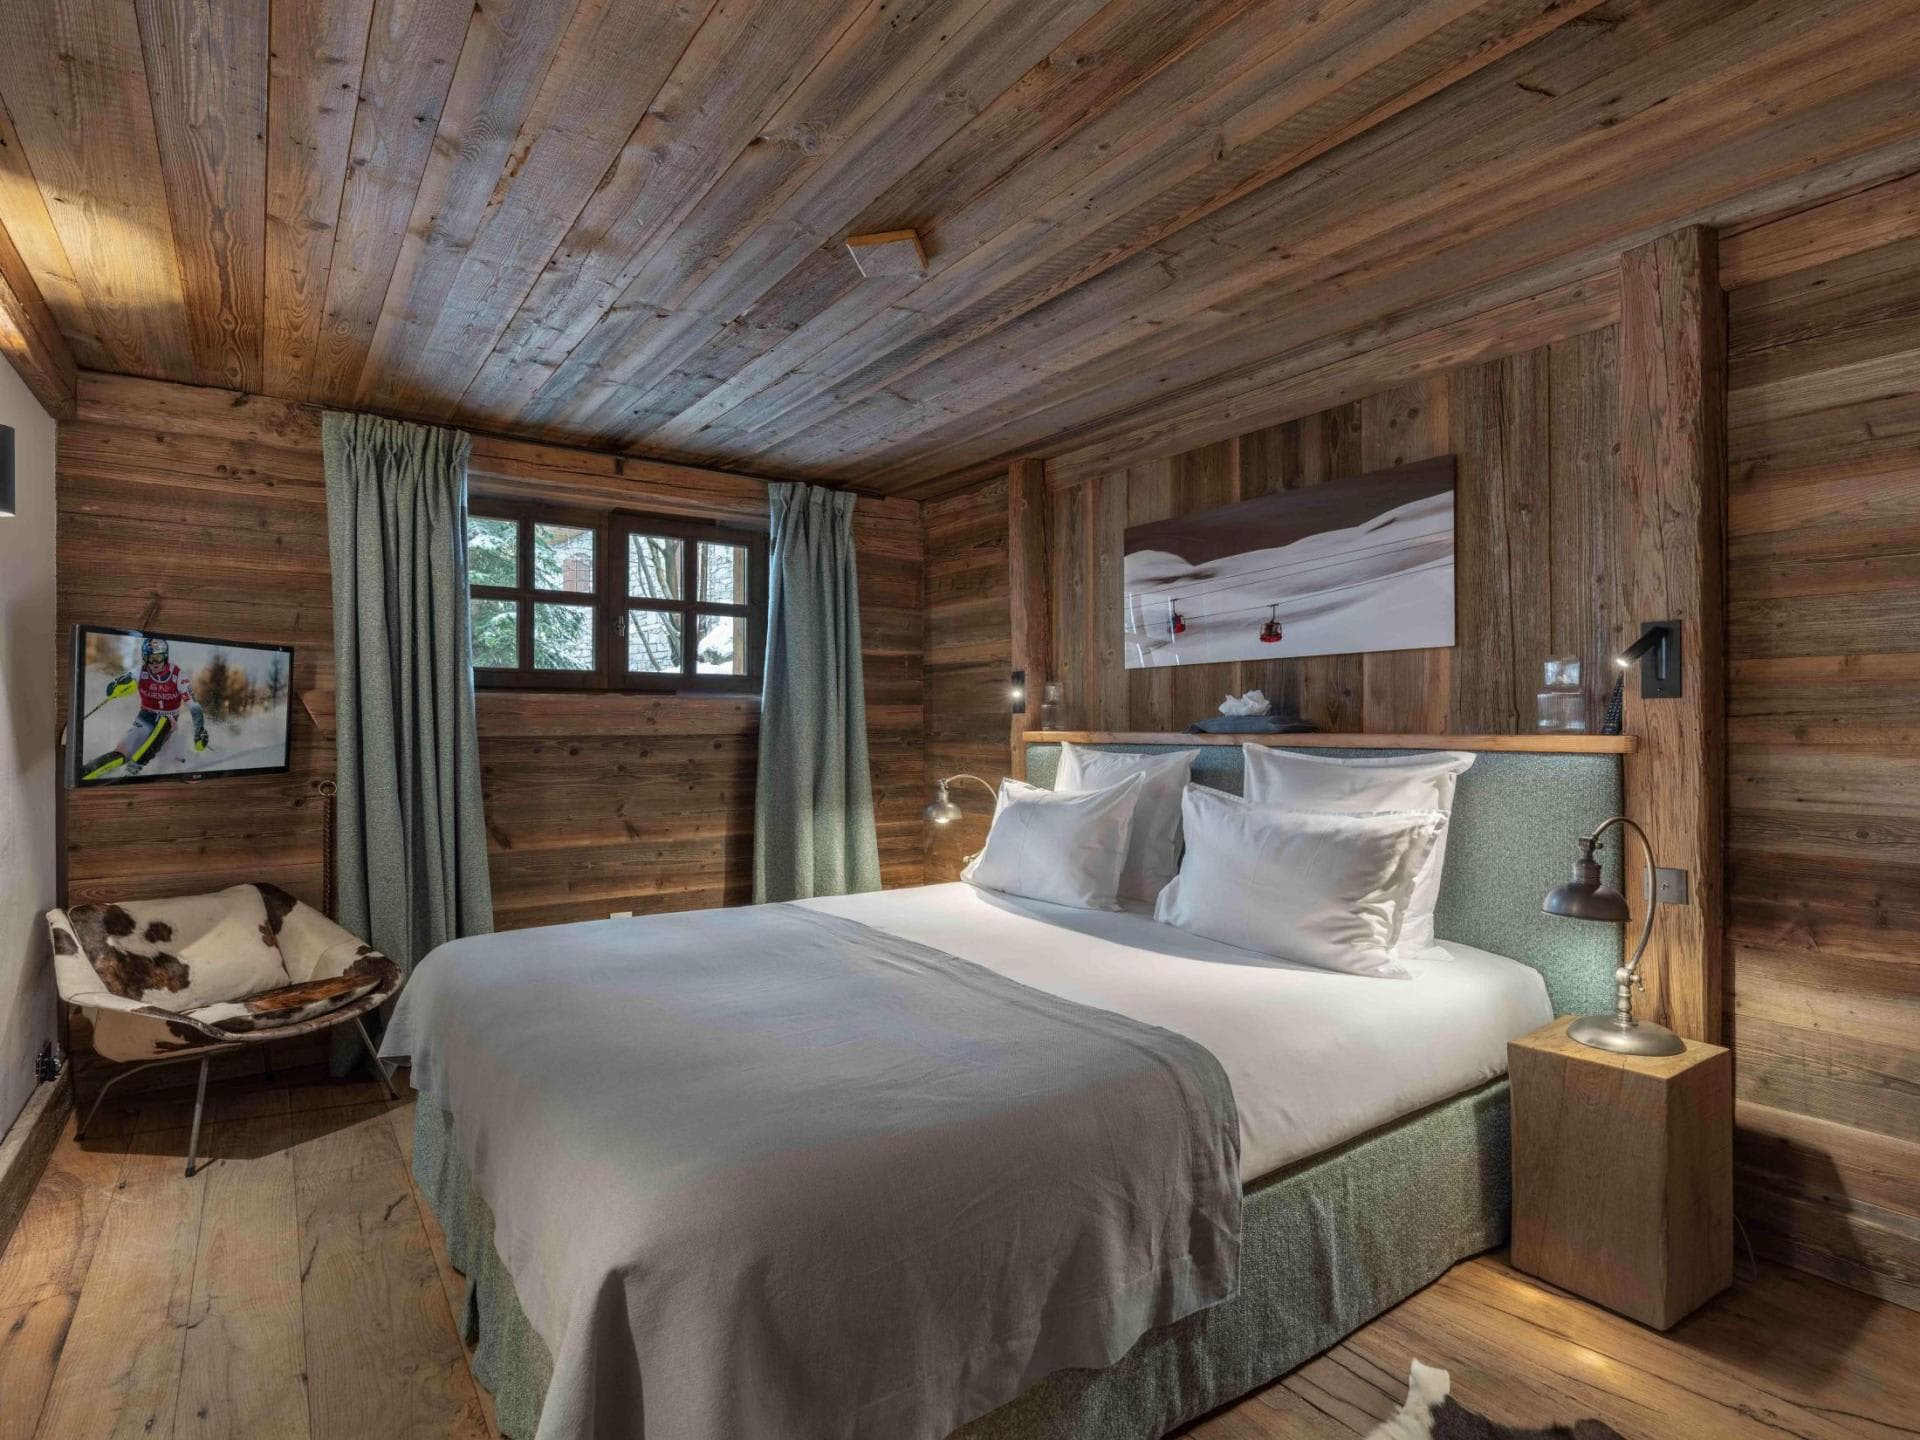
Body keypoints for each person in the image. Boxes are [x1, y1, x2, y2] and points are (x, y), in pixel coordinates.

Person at [81, 636, 210, 780]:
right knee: (122, 752)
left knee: (166, 722)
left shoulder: (177, 675)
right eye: (150, 658)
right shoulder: (140, 671)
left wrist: (200, 730)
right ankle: (87, 772)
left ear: (165, 656)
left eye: (158, 658)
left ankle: (136, 765)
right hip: (145, 718)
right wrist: (118, 686)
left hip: (169, 721)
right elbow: (112, 688)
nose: (155, 663)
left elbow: (194, 706)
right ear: (145, 658)